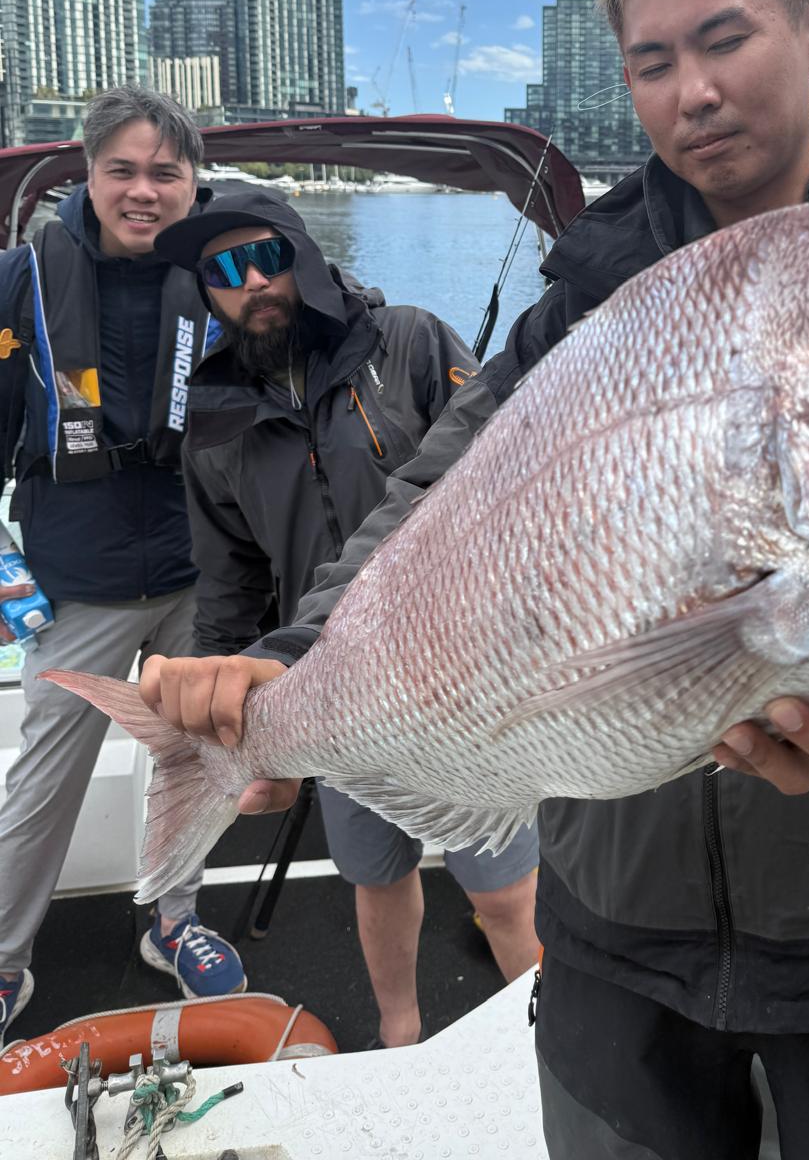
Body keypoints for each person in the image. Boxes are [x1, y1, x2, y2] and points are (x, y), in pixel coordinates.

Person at [141, 0, 809, 1160]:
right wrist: (287, 671)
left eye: (726, 41)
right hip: (616, 929)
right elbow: (434, 502)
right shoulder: (585, 301)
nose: (694, 93)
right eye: (654, 63)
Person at [146, 188, 540, 1048]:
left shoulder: (412, 343)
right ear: (205, 291)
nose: (250, 281)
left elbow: (506, 476)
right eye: (222, 269)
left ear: (304, 255)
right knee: (374, 872)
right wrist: (223, 718)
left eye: (267, 256)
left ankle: (558, 1046)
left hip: (464, 685)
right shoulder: (213, 425)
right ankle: (399, 1035)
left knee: (506, 890)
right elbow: (228, 588)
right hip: (329, 689)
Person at [0, 86, 245, 1045]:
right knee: (42, 780)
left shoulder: (226, 278)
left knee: (198, 756)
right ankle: (6, 961)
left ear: (193, 185)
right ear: (88, 176)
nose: (144, 191)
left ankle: (176, 917)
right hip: (75, 576)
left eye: (165, 173)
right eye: (123, 171)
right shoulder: (21, 285)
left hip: (201, 569)